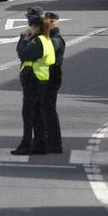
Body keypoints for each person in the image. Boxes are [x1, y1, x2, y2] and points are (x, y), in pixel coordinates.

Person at [12, 9, 56, 156]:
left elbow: (22, 54)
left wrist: (24, 39)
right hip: (42, 79)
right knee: (38, 113)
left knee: (28, 113)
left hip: (34, 80)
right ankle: (40, 144)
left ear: (34, 25)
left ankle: (26, 144)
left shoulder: (37, 41)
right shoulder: (46, 39)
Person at [43, 12, 65, 154]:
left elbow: (46, 50)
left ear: (57, 23)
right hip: (46, 77)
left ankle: (55, 143)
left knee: (49, 110)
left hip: (52, 78)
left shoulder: (56, 39)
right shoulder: (49, 37)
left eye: (52, 21)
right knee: (44, 110)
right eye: (47, 21)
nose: (49, 24)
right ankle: (48, 139)